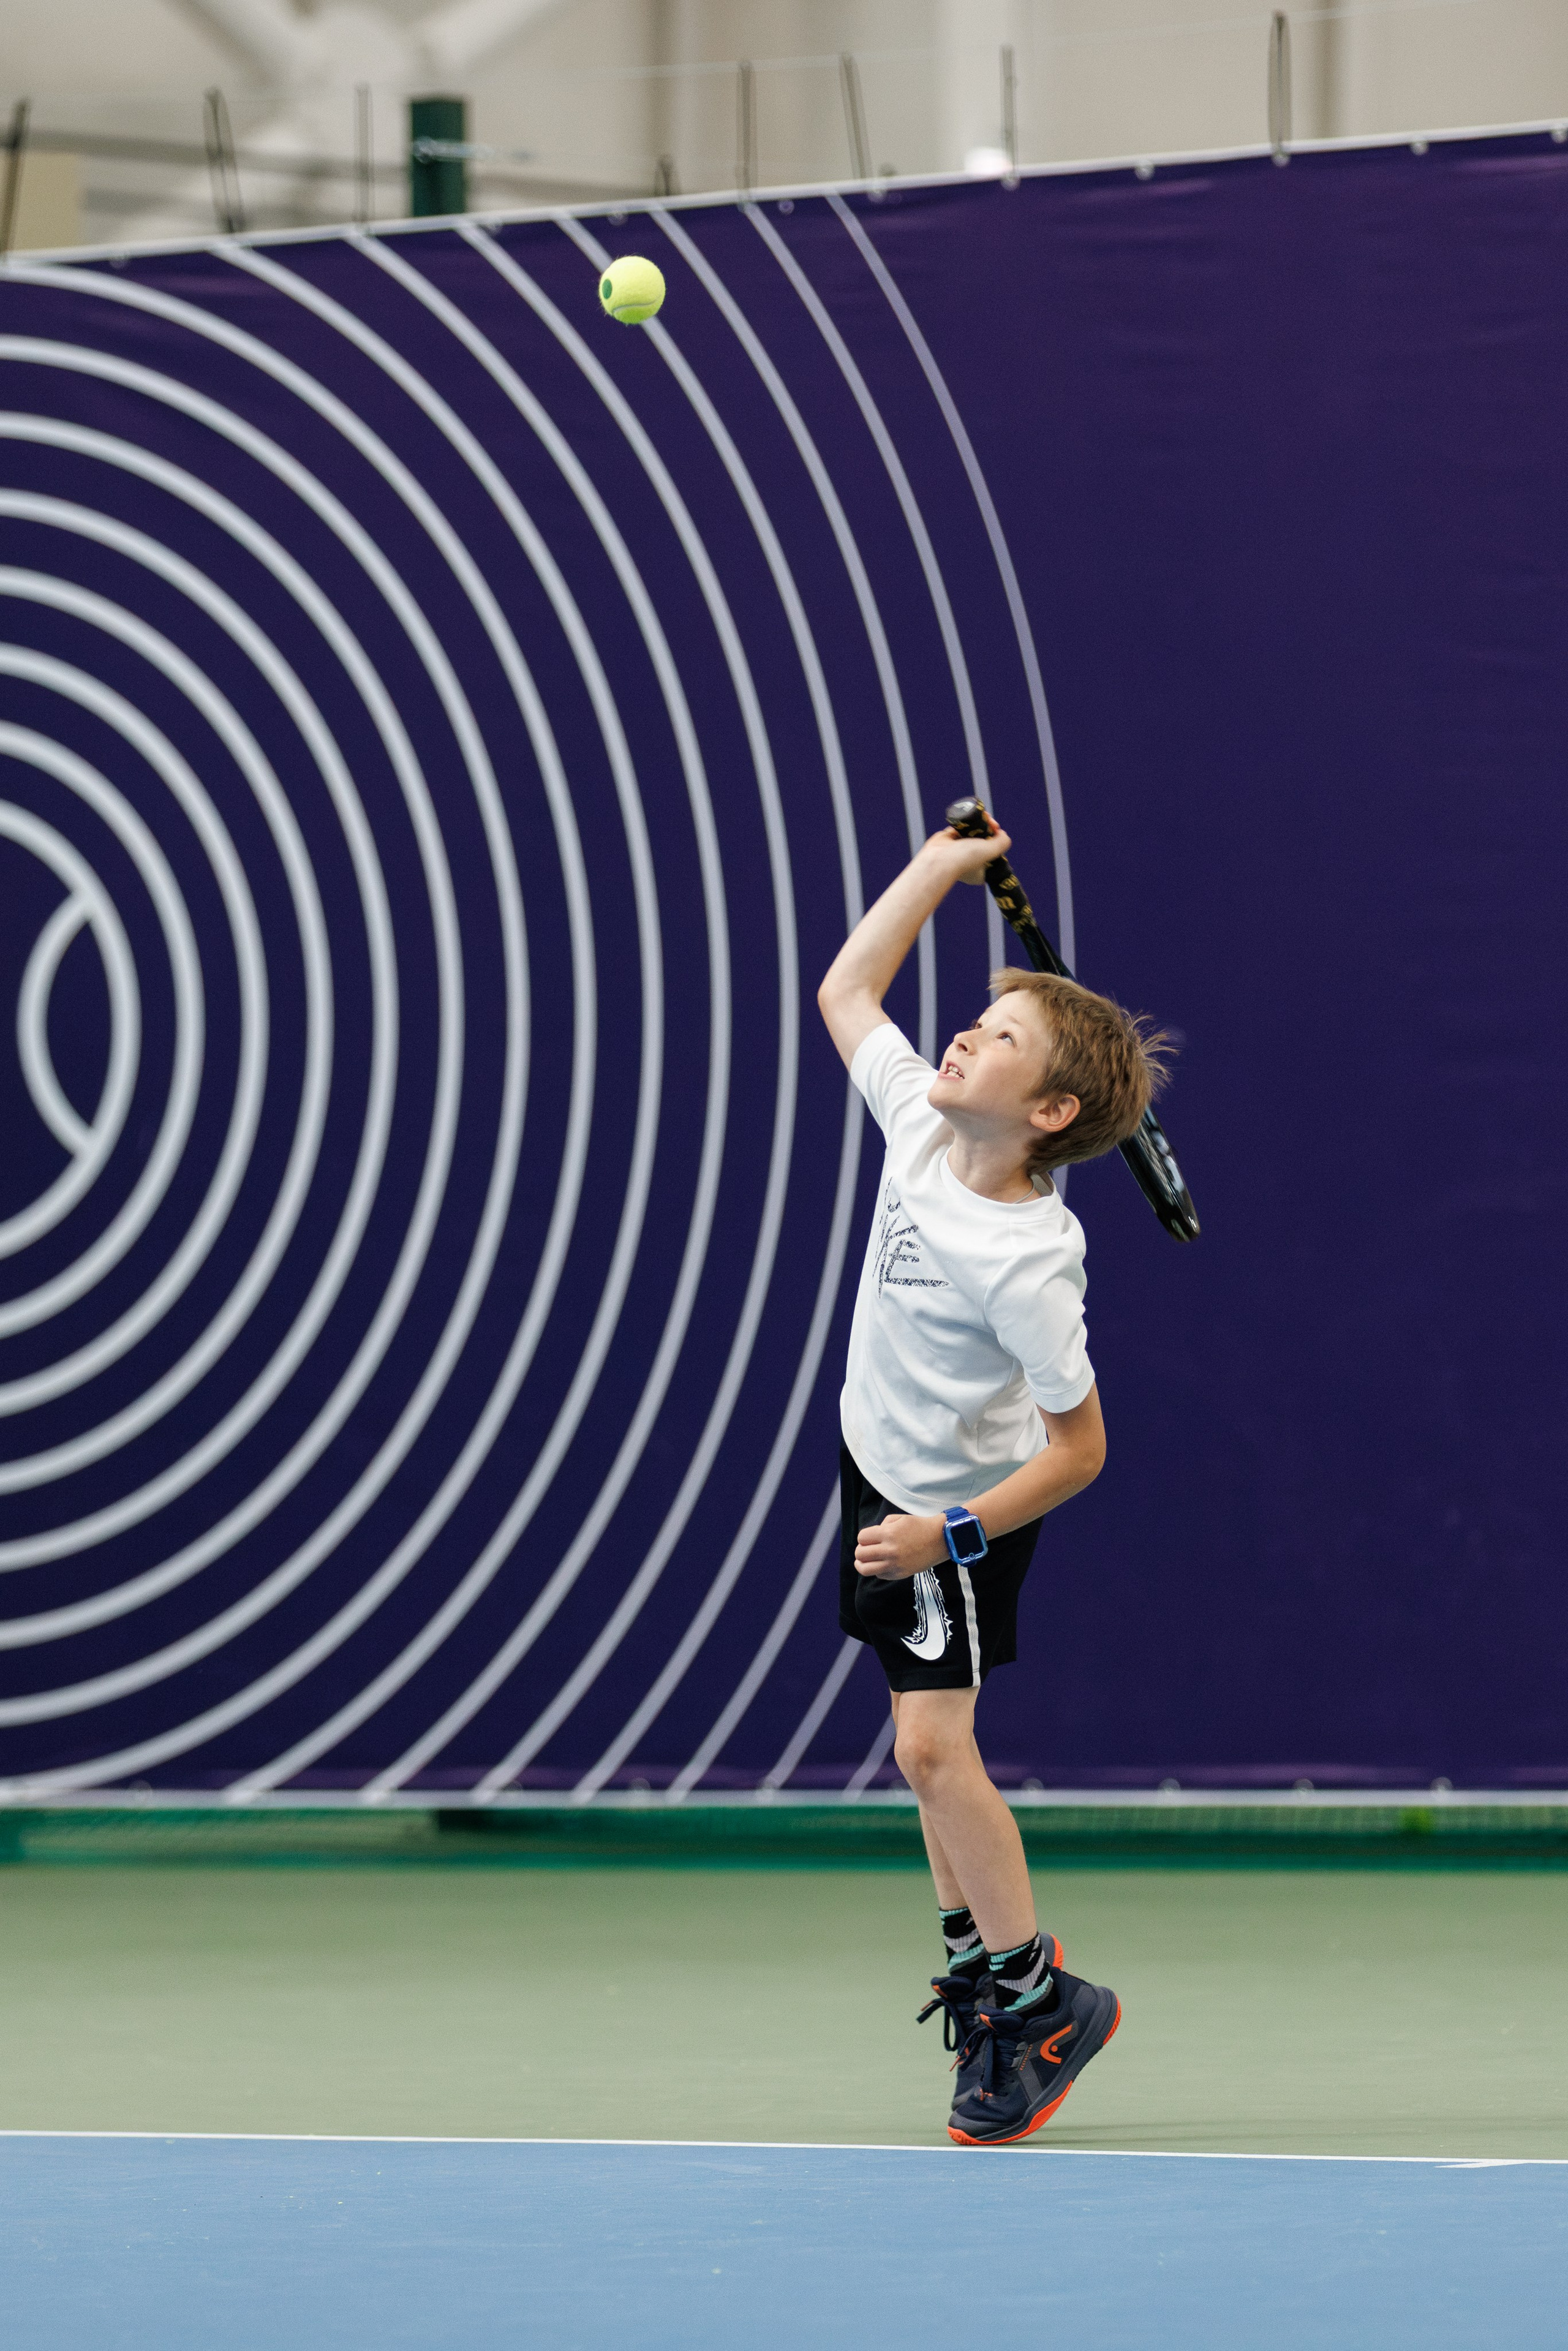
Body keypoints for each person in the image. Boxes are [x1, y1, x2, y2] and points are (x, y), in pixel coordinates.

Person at [816, 811, 1169, 2146]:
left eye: (999, 1037)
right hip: (877, 1462)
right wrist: (938, 867)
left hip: (959, 1503)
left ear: (1050, 1112)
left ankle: (1037, 1999)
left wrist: (941, 1533)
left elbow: (1077, 1450)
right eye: (972, 1018)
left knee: (928, 1742)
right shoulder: (918, 1117)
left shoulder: (1030, 1262)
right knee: (921, 1758)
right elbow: (846, 989)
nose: (958, 1035)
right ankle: (984, 1969)